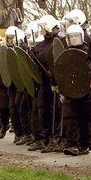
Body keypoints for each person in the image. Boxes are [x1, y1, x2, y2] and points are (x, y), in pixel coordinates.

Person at [61, 24, 91, 156]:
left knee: (84, 117)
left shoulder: (87, 52)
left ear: (81, 37)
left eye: (76, 36)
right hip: (70, 90)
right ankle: (72, 144)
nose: (74, 39)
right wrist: (61, 90)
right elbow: (61, 73)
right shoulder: (65, 54)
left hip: (85, 91)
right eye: (71, 37)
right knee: (69, 116)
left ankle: (85, 143)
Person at [33, 15, 61, 152]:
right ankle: (46, 138)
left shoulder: (60, 42)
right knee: (43, 110)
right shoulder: (39, 46)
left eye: (43, 28)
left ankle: (55, 139)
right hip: (43, 83)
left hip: (57, 84)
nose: (41, 31)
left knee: (56, 111)